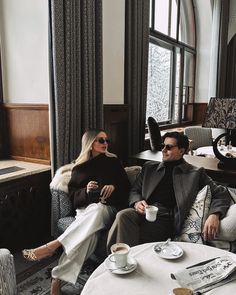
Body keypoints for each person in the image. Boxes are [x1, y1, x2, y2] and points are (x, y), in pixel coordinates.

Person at [22, 129, 130, 294]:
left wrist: (114, 187)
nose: (105, 144)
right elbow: (73, 198)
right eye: (100, 140)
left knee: (98, 208)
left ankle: (54, 245)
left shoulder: (113, 162)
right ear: (90, 143)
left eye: (106, 140)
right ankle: (57, 279)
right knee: (88, 238)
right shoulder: (79, 168)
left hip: (107, 209)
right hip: (85, 212)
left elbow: (126, 188)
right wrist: (85, 191)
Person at [107, 131, 231, 251]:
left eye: (169, 147)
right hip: (144, 211)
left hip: (166, 218)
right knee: (122, 215)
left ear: (181, 151)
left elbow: (221, 193)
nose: (163, 150)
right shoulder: (149, 168)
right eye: (163, 146)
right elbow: (135, 190)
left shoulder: (195, 173)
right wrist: (137, 202)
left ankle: (125, 261)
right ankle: (121, 260)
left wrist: (214, 215)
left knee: (135, 231)